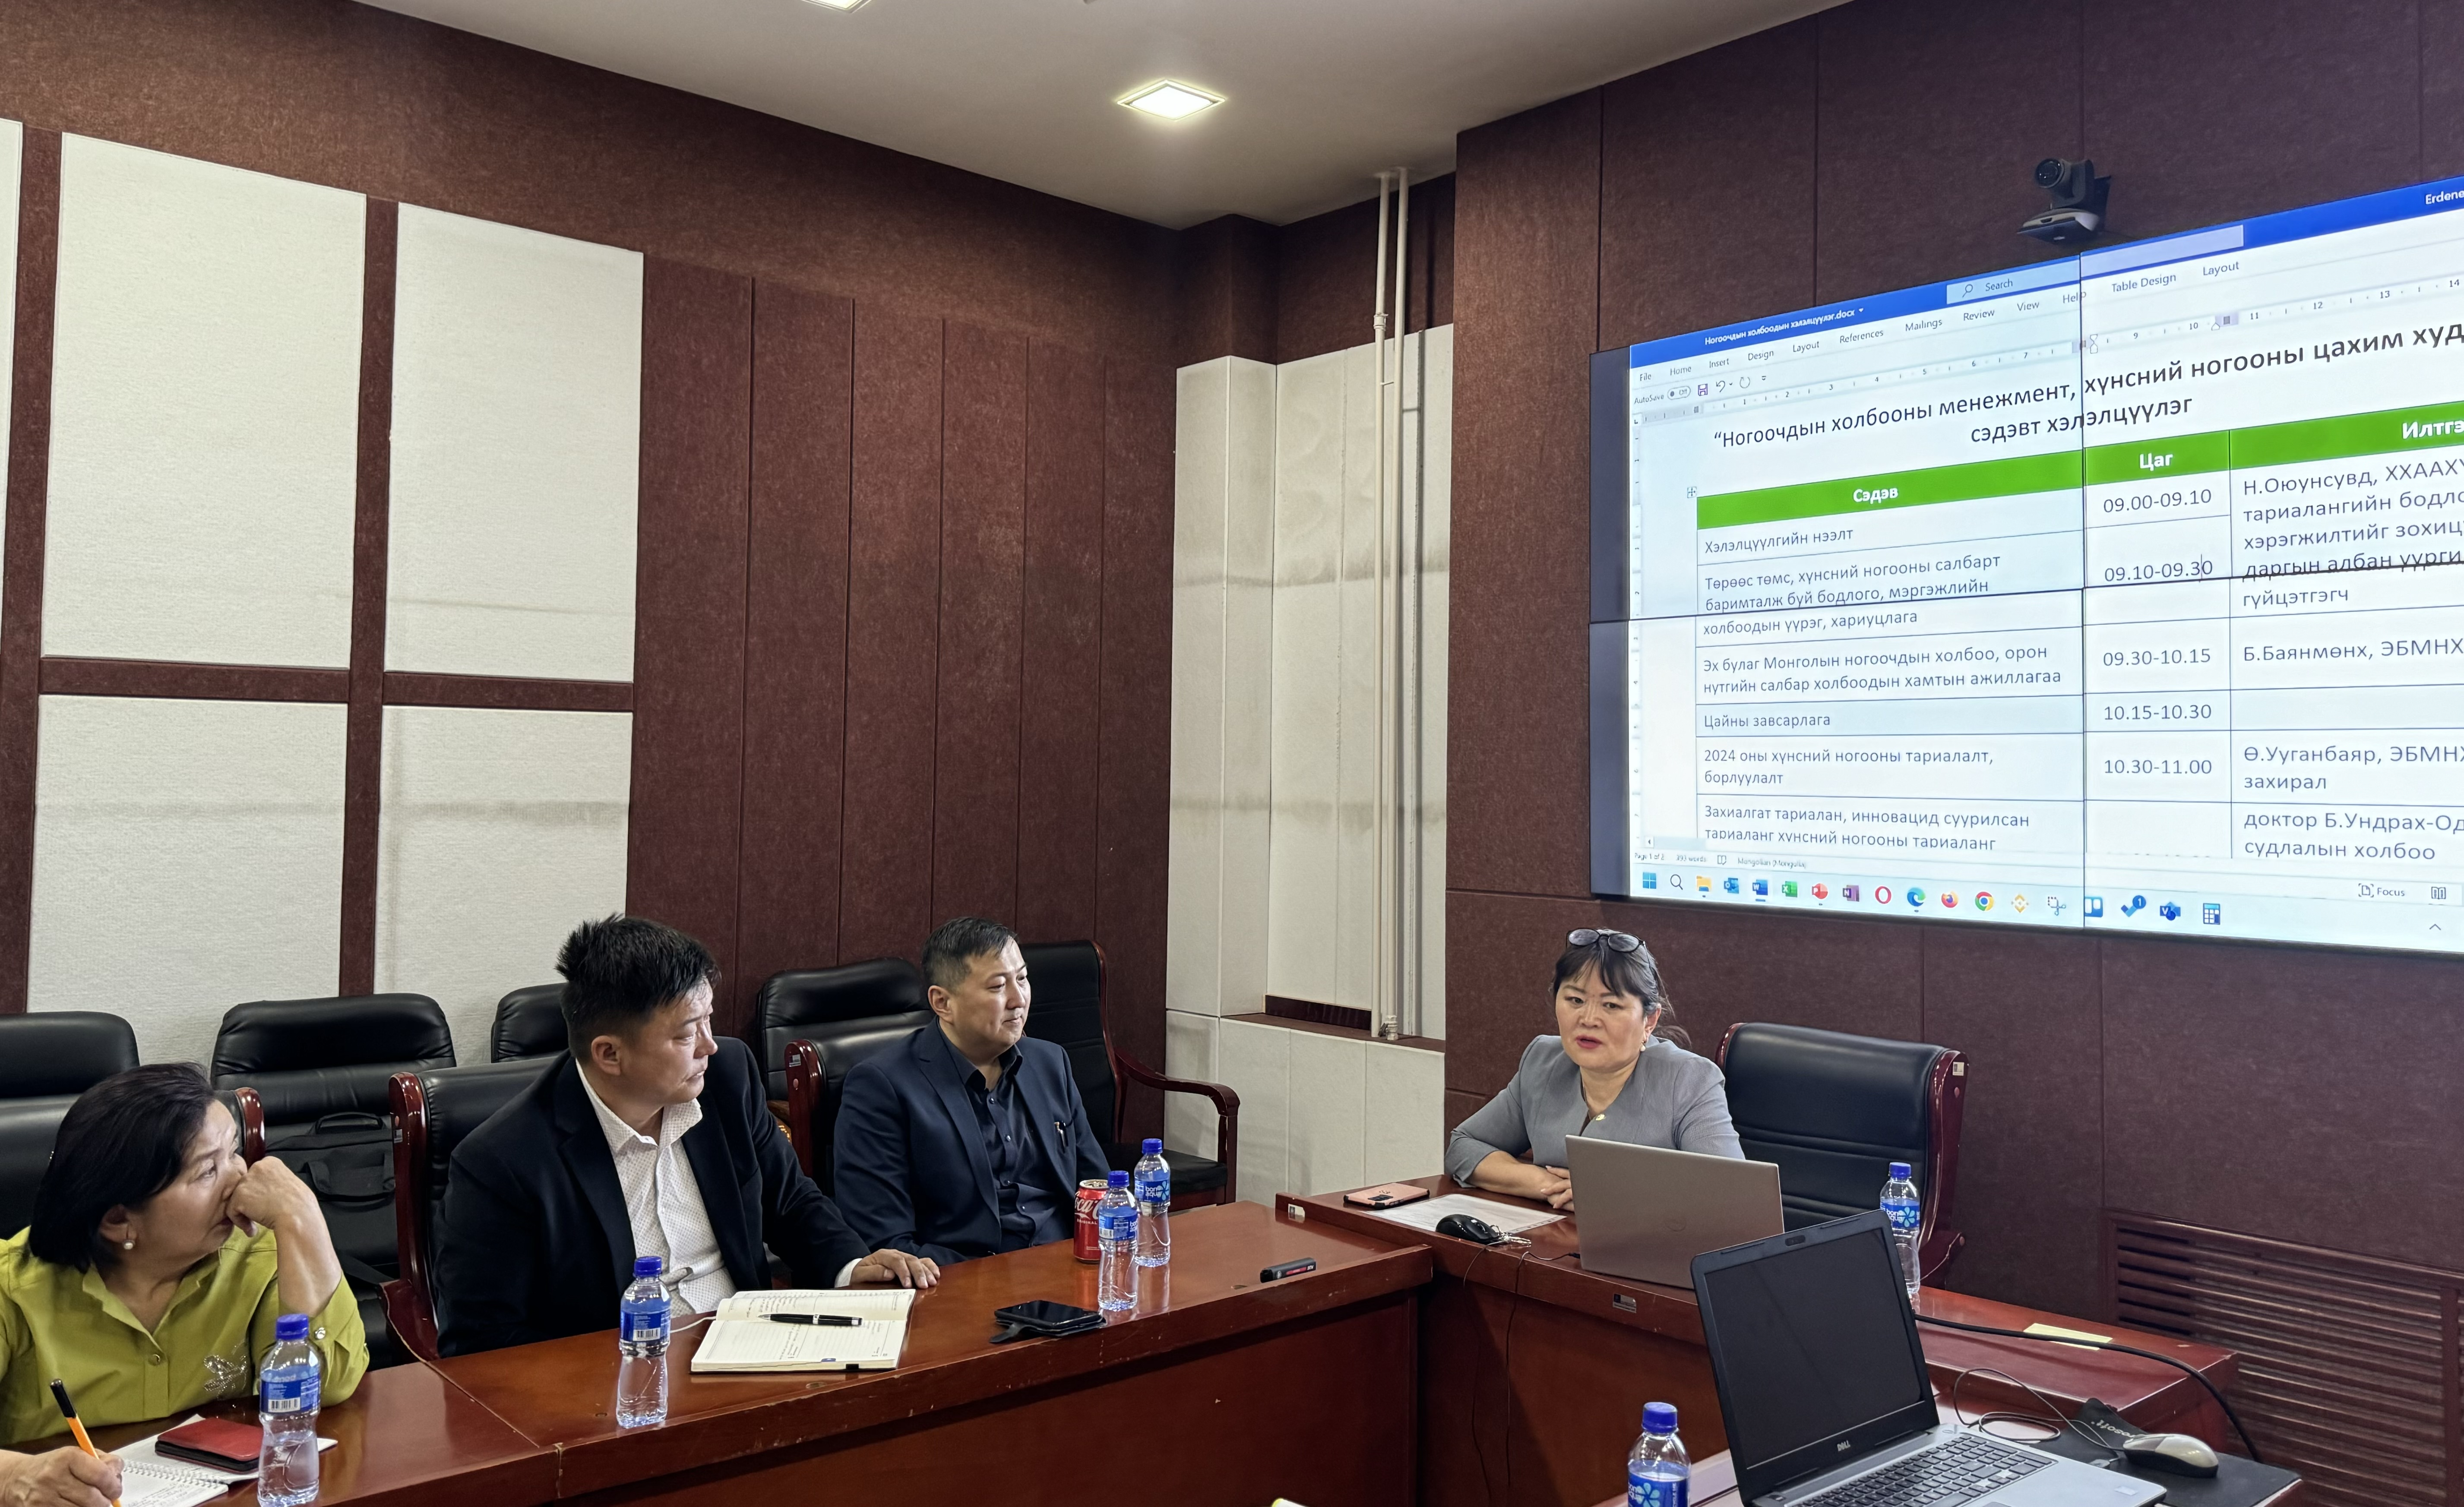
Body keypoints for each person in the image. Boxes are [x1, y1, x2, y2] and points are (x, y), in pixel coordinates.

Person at [435, 916, 937, 1356]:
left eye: (708, 1019)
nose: (709, 1045)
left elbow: (790, 1202)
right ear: (610, 1054)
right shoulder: (502, 1161)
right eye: (685, 1033)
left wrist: (850, 1266)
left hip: (754, 1351)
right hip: (619, 1385)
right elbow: (482, 1341)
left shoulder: (727, 1076)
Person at [0, 1064, 365, 1468]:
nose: (241, 1177)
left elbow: (327, 1386)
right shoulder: (11, 1287)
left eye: (234, 1152)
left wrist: (302, 1216)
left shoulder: (260, 1251)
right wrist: (19, 1476)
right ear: (118, 1220)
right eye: (209, 1170)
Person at [833, 917, 1110, 1264]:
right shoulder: (881, 1086)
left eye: (1022, 979)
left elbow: (1098, 1187)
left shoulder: (1050, 1062)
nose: (1018, 1000)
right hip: (964, 1278)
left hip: (1068, 1264)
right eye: (997, 987)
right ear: (942, 1002)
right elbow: (886, 1242)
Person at [1444, 929, 1740, 1207]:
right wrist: (1546, 1185)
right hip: (1550, 1238)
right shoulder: (1543, 1062)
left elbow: (1727, 1193)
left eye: (1611, 1005)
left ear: (1649, 1021)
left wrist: (1607, 1194)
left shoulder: (1689, 1080)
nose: (1588, 1019)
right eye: (1575, 1000)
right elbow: (1464, 1146)